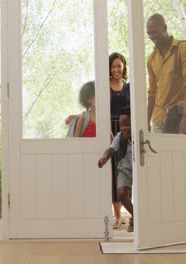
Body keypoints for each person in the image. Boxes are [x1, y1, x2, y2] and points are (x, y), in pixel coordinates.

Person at [65, 53, 131, 229]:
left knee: (123, 173)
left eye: (119, 66)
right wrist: (76, 116)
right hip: (106, 127)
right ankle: (110, 216)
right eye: (113, 66)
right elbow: (92, 107)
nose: (116, 69)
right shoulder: (102, 87)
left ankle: (125, 215)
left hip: (124, 131)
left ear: (124, 66)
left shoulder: (129, 87)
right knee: (107, 175)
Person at [146, 13, 186, 134]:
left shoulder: (182, 48)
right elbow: (152, 92)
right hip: (157, 121)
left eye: (154, 32)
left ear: (164, 28)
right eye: (149, 33)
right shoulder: (152, 59)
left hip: (177, 119)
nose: (152, 36)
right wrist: (146, 122)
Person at [98, 114, 133, 232]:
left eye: (127, 125)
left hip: (140, 169)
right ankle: (136, 216)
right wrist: (104, 158)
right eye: (121, 125)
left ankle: (137, 219)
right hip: (125, 168)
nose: (123, 128)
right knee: (121, 193)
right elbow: (111, 149)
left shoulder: (140, 135)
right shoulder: (120, 136)